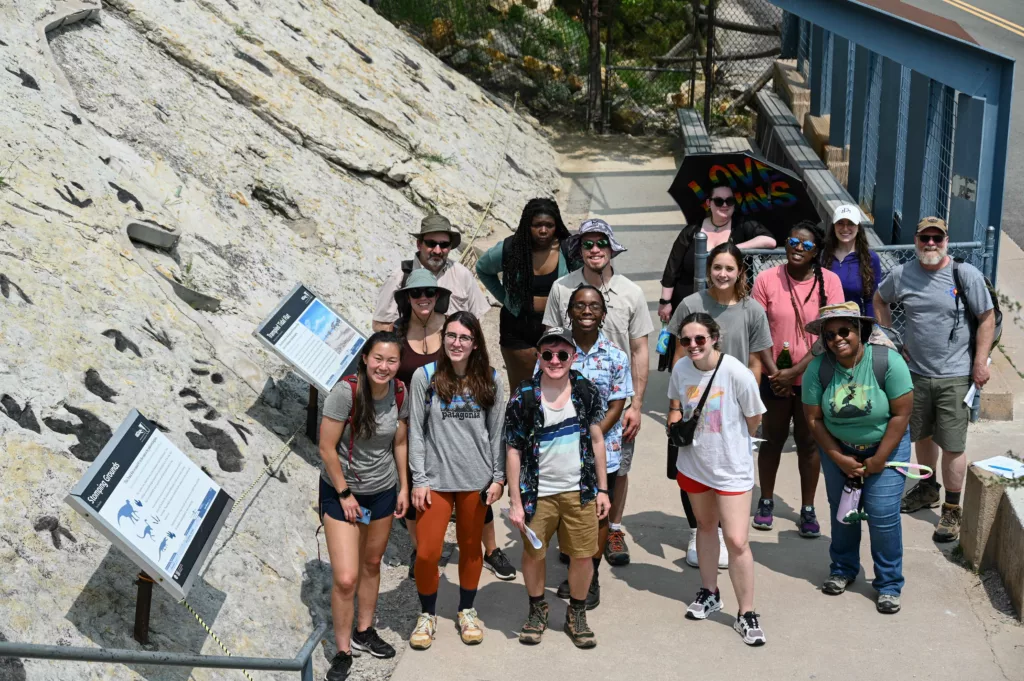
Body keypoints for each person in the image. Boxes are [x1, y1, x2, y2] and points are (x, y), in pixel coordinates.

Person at [874, 216, 995, 542]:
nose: (930, 244)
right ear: (915, 240)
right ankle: (928, 489)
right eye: (924, 238)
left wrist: (980, 361)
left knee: (953, 446)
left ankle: (952, 511)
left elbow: (987, 317)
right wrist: (892, 341)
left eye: (936, 238)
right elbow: (879, 300)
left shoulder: (963, 274)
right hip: (914, 374)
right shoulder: (902, 274)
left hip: (955, 376)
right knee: (922, 436)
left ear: (945, 240)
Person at [543, 219, 653, 566]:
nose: (594, 249)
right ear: (580, 250)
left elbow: (639, 350)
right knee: (568, 467)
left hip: (615, 402)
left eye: (601, 243)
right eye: (587, 244)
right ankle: (572, 532)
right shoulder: (562, 289)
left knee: (618, 469)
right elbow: (550, 343)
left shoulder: (631, 292)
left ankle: (614, 528)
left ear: (611, 247)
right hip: (567, 399)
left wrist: (636, 404)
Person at [394, 271, 515, 582]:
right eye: (416, 292)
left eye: (429, 292)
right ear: (407, 297)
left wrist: (498, 475)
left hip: (457, 421)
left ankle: (490, 552)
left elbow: (495, 426)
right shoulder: (397, 334)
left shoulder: (449, 330)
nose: (423, 298)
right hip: (412, 423)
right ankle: (419, 550)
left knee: (475, 510)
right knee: (417, 502)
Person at [801, 302, 914, 615]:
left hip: (886, 446)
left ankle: (889, 584)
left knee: (882, 513)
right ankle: (843, 568)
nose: (838, 338)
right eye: (830, 334)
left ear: (860, 332)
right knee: (843, 511)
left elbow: (902, 413)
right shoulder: (819, 369)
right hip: (839, 447)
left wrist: (878, 459)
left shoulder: (886, 362)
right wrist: (837, 456)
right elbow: (813, 420)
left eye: (845, 330)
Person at [506, 327, 611, 648]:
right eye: (548, 354)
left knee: (582, 555)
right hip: (537, 493)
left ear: (573, 357)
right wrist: (514, 500)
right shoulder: (524, 395)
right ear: (539, 356)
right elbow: (513, 448)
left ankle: (576, 613)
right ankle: (537, 608)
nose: (555, 360)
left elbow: (597, 440)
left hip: (580, 490)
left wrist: (604, 490)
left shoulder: (585, 390)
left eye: (562, 354)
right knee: (534, 554)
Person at [668, 242, 772, 568]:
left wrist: (748, 407)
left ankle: (728, 535)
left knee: (729, 472)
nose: (723, 274)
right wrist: (674, 408)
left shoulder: (752, 310)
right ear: (708, 269)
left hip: (734, 405)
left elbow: (756, 362)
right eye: (717, 267)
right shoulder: (690, 304)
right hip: (694, 405)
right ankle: (697, 529)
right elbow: (678, 358)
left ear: (740, 270)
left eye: (729, 268)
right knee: (691, 467)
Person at [407, 312, 506, 650]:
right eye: (451, 335)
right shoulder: (426, 376)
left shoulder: (491, 379)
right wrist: (418, 479)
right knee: (427, 553)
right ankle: (427, 614)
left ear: (476, 341)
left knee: (470, 548)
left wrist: (498, 478)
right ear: (443, 338)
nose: (457, 343)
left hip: (475, 480)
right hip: (434, 480)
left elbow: (497, 433)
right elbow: (416, 433)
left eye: (464, 337)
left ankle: (466, 609)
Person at [667, 313, 767, 646]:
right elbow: (678, 403)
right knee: (705, 529)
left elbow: (754, 419)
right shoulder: (681, 369)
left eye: (699, 339)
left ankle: (747, 612)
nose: (692, 345)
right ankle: (710, 592)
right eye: (686, 340)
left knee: (737, 541)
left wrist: (731, 443)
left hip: (731, 468)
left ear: (714, 338)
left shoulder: (736, 372)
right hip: (695, 465)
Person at [318, 332, 410, 680]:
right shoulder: (346, 392)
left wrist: (403, 486)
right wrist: (344, 494)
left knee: (372, 563)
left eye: (391, 360)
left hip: (382, 490)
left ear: (399, 364)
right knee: (345, 578)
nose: (383, 367)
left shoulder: (399, 392)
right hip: (343, 493)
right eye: (378, 358)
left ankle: (364, 630)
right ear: (365, 358)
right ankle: (342, 650)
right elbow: (327, 448)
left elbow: (399, 441)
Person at [752, 221, 843, 535]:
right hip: (773, 376)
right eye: (793, 241)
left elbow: (831, 333)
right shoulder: (766, 279)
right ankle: (765, 501)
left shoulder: (829, 282)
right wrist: (775, 372)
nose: (798, 248)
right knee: (772, 440)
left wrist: (795, 370)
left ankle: (807, 509)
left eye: (805, 244)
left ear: (816, 251)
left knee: (808, 443)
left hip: (814, 377)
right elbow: (758, 330)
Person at [550, 285, 632, 608]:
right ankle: (575, 569)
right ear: (569, 311)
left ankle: (591, 575)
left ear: (603, 313)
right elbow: (540, 391)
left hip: (603, 453)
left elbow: (617, 401)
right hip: (559, 449)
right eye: (580, 305)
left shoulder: (615, 355)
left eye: (594, 306)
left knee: (597, 514)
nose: (587, 311)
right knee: (566, 511)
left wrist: (591, 435)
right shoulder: (553, 351)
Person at [657, 182, 776, 370]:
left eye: (729, 201)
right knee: (687, 349)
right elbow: (672, 266)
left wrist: (735, 249)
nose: (724, 205)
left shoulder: (742, 226)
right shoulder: (692, 231)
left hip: (726, 302)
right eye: (719, 201)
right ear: (708, 203)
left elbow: (769, 241)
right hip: (689, 297)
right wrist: (665, 301)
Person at [476, 198, 574, 388]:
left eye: (549, 225)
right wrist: (506, 298)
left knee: (556, 388)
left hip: (557, 326)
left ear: (557, 226)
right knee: (523, 389)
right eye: (537, 225)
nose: (543, 230)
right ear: (527, 225)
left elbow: (586, 276)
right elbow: (483, 268)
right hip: (518, 327)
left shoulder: (568, 249)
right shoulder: (511, 248)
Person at [373, 214, 491, 332]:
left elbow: (478, 320)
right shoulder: (399, 277)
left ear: (450, 247)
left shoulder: (463, 275)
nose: (437, 250)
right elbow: (378, 325)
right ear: (419, 244)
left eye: (444, 245)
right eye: (431, 244)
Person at [821, 204, 882, 318]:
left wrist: (872, 329)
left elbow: (872, 300)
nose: (845, 228)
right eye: (840, 223)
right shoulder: (822, 256)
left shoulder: (870, 258)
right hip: (824, 322)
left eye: (850, 224)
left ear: (858, 227)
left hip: (854, 324)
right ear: (833, 227)